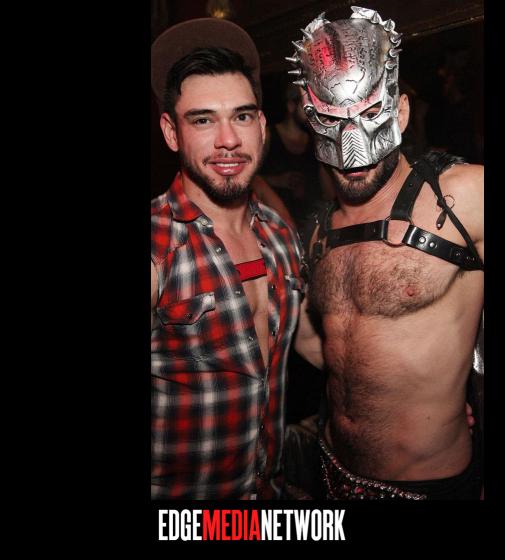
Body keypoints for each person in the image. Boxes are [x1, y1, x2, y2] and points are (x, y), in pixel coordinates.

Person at [290, 6, 484, 500]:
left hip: (431, 485)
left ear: (399, 112)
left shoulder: (462, 196)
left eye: (369, 116)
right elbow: (322, 343)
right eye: (331, 121)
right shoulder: (319, 230)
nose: (352, 150)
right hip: (331, 473)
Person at [150, 17, 305, 499]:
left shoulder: (280, 235)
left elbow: (321, 344)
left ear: (262, 126)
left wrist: (415, 401)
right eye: (202, 120)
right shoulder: (157, 243)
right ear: (171, 132)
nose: (228, 140)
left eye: (241, 117)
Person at [259, 83, 335, 225]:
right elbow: (248, 180)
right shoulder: (268, 136)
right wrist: (276, 180)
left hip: (313, 223)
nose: (314, 112)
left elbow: (329, 194)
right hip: (276, 224)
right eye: (308, 106)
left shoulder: (316, 139)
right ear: (291, 106)